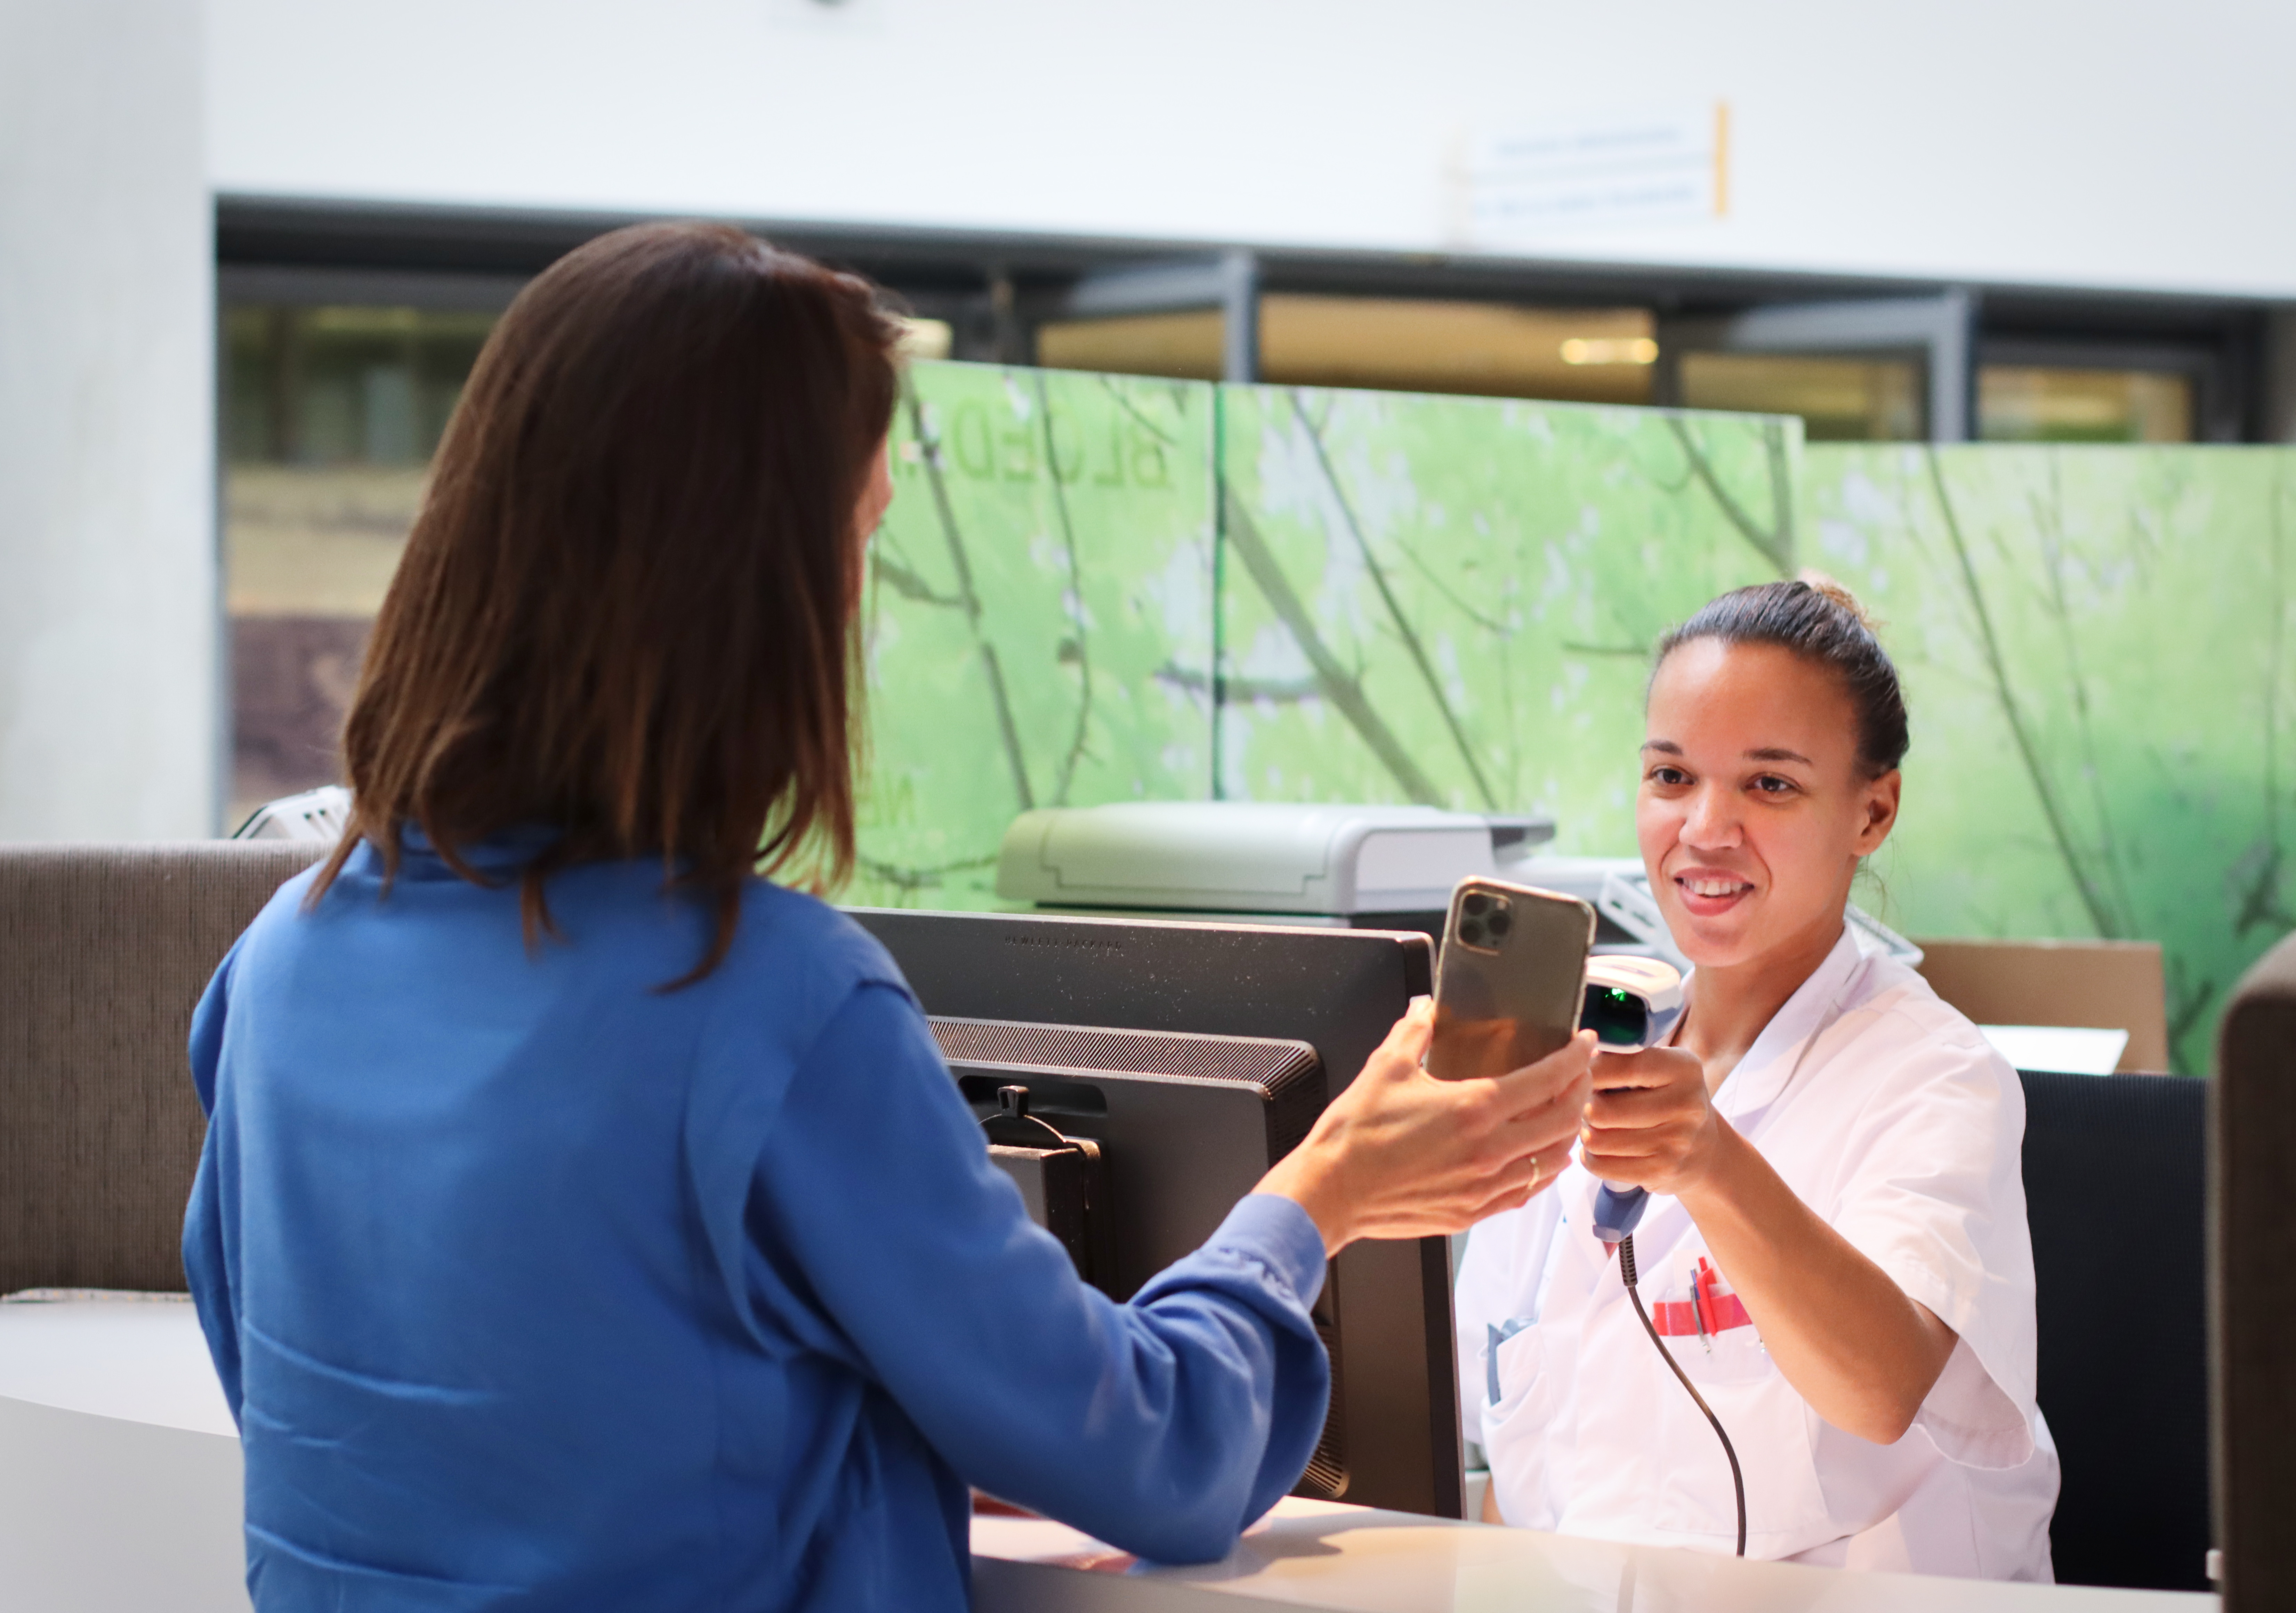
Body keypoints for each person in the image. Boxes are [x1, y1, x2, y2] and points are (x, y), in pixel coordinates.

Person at [181, 222, 1595, 1613]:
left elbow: (350, 1400)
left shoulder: (279, 967)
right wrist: (1318, 1193)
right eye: (853, 538)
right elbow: (1155, 1454)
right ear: (747, 588)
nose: (856, 605)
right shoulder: (768, 1002)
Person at [1456, 576, 2059, 1578]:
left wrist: (1711, 1165)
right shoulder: (1577, 1051)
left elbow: (1876, 1394)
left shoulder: (1938, 1077)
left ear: (1872, 812)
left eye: (1769, 785)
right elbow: (1494, 1434)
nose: (1702, 829)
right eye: (1669, 776)